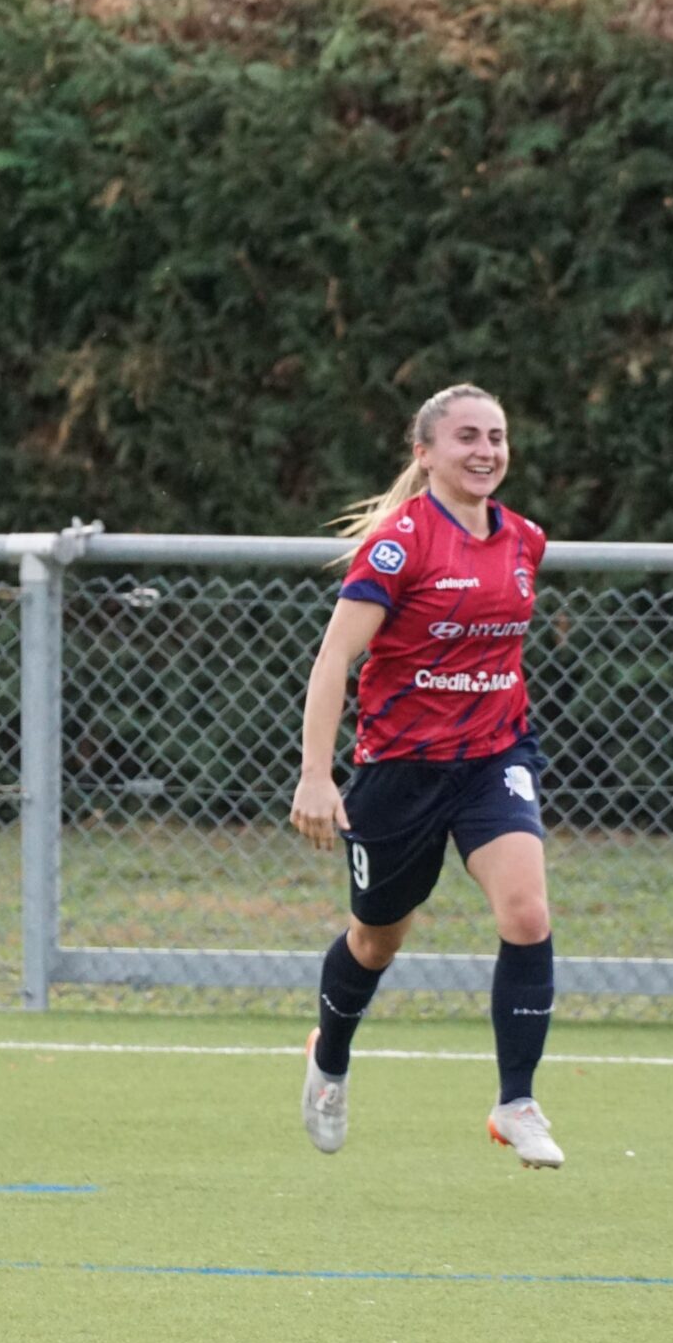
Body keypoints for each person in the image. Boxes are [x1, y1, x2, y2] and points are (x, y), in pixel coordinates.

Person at [286, 383, 564, 1168]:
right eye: (467, 437)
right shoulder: (398, 544)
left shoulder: (525, 539)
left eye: (497, 436)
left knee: (527, 911)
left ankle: (517, 1102)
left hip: (493, 758)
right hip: (399, 772)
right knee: (376, 939)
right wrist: (316, 774)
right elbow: (336, 657)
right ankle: (330, 1056)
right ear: (426, 453)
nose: (486, 451)